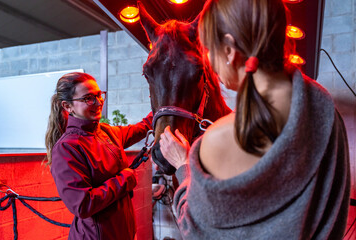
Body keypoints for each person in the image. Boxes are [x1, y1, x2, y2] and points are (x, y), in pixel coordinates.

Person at [159, 0, 350, 239]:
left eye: (209, 50)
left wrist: (183, 166)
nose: (210, 62)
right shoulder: (325, 111)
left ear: (229, 50)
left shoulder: (216, 142)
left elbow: (194, 232)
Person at [45, 72, 152, 240]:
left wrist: (166, 104)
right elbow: (82, 205)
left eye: (99, 95)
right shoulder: (67, 148)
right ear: (67, 106)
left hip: (123, 233)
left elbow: (144, 126)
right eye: (88, 98)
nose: (98, 102)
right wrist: (124, 179)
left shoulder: (106, 132)